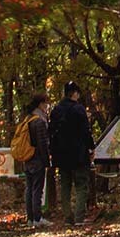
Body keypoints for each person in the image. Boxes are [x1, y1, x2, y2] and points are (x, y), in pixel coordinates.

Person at [49, 81, 95, 226]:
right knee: (81, 184)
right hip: (78, 154)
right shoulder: (79, 109)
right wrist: (91, 148)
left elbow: (51, 131)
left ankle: (68, 216)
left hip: (61, 155)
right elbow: (85, 131)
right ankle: (79, 216)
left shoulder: (56, 110)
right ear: (75, 93)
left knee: (65, 185)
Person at [24, 92, 51, 228]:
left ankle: (29, 218)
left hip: (27, 158)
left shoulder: (27, 119)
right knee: (37, 189)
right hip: (37, 159)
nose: (47, 106)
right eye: (46, 103)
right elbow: (42, 144)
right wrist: (47, 161)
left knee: (29, 188)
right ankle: (37, 218)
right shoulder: (39, 121)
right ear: (41, 104)